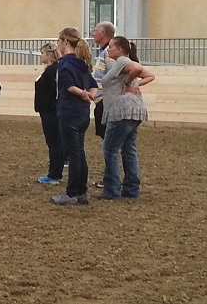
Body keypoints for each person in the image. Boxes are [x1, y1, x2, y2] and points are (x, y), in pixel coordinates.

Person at [95, 36, 155, 200]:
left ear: (120, 49)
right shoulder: (123, 63)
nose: (108, 50)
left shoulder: (122, 61)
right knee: (129, 149)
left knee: (110, 149)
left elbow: (137, 68)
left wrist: (129, 84)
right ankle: (131, 188)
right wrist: (134, 85)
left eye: (111, 47)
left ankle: (111, 189)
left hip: (121, 110)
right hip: (135, 110)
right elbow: (150, 75)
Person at [51, 28, 98, 206]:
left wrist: (81, 93)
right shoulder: (82, 63)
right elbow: (94, 85)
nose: (57, 45)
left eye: (58, 41)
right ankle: (81, 191)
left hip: (69, 111)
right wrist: (88, 94)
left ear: (65, 42)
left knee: (73, 154)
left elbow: (68, 86)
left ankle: (71, 193)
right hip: (83, 113)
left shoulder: (64, 63)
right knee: (79, 152)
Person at [91, 21, 116, 188]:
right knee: (107, 141)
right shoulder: (104, 52)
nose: (93, 34)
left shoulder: (109, 52)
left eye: (95, 31)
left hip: (106, 101)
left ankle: (110, 179)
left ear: (103, 33)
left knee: (109, 143)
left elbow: (114, 74)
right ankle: (109, 177)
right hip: (101, 100)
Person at [35, 43, 63, 184]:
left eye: (43, 53)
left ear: (50, 54)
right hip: (47, 109)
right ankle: (55, 172)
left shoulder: (52, 70)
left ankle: (54, 174)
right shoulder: (49, 70)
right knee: (54, 142)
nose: (41, 56)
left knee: (54, 142)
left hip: (50, 110)